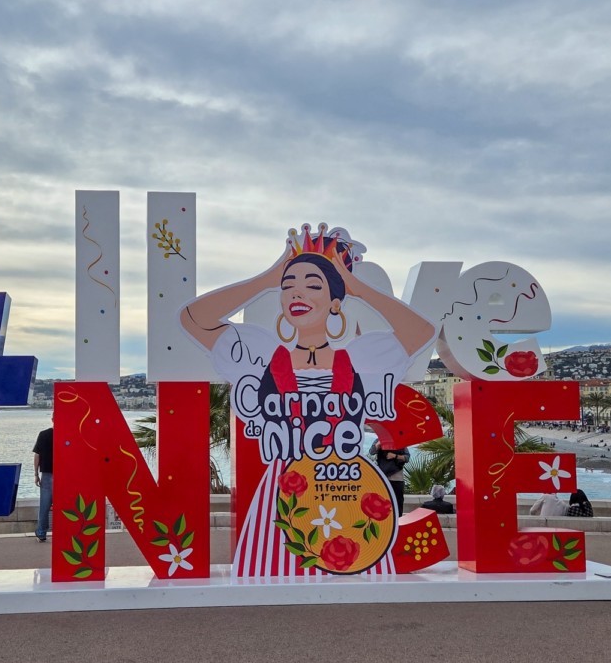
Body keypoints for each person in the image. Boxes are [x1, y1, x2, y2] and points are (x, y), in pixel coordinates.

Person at [181, 223, 435, 576]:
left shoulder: (359, 358)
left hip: (345, 486)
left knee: (354, 573)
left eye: (313, 285)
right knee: (272, 572)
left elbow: (421, 331)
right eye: (288, 286)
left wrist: (359, 289)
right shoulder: (262, 354)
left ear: (336, 301)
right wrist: (265, 280)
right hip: (283, 489)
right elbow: (194, 318)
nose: (297, 294)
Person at [371, 440, 410, 513]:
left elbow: (407, 458)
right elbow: (372, 452)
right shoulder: (378, 440)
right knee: (381, 502)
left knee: (398, 503)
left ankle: (398, 519)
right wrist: (379, 444)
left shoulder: (400, 442)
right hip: (383, 477)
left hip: (397, 478)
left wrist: (395, 456)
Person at [32, 420, 54, 542]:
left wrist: (36, 474)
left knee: (45, 505)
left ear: (52, 420)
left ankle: (41, 532)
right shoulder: (68, 435)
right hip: (65, 475)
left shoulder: (43, 434)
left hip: (47, 474)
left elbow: (37, 456)